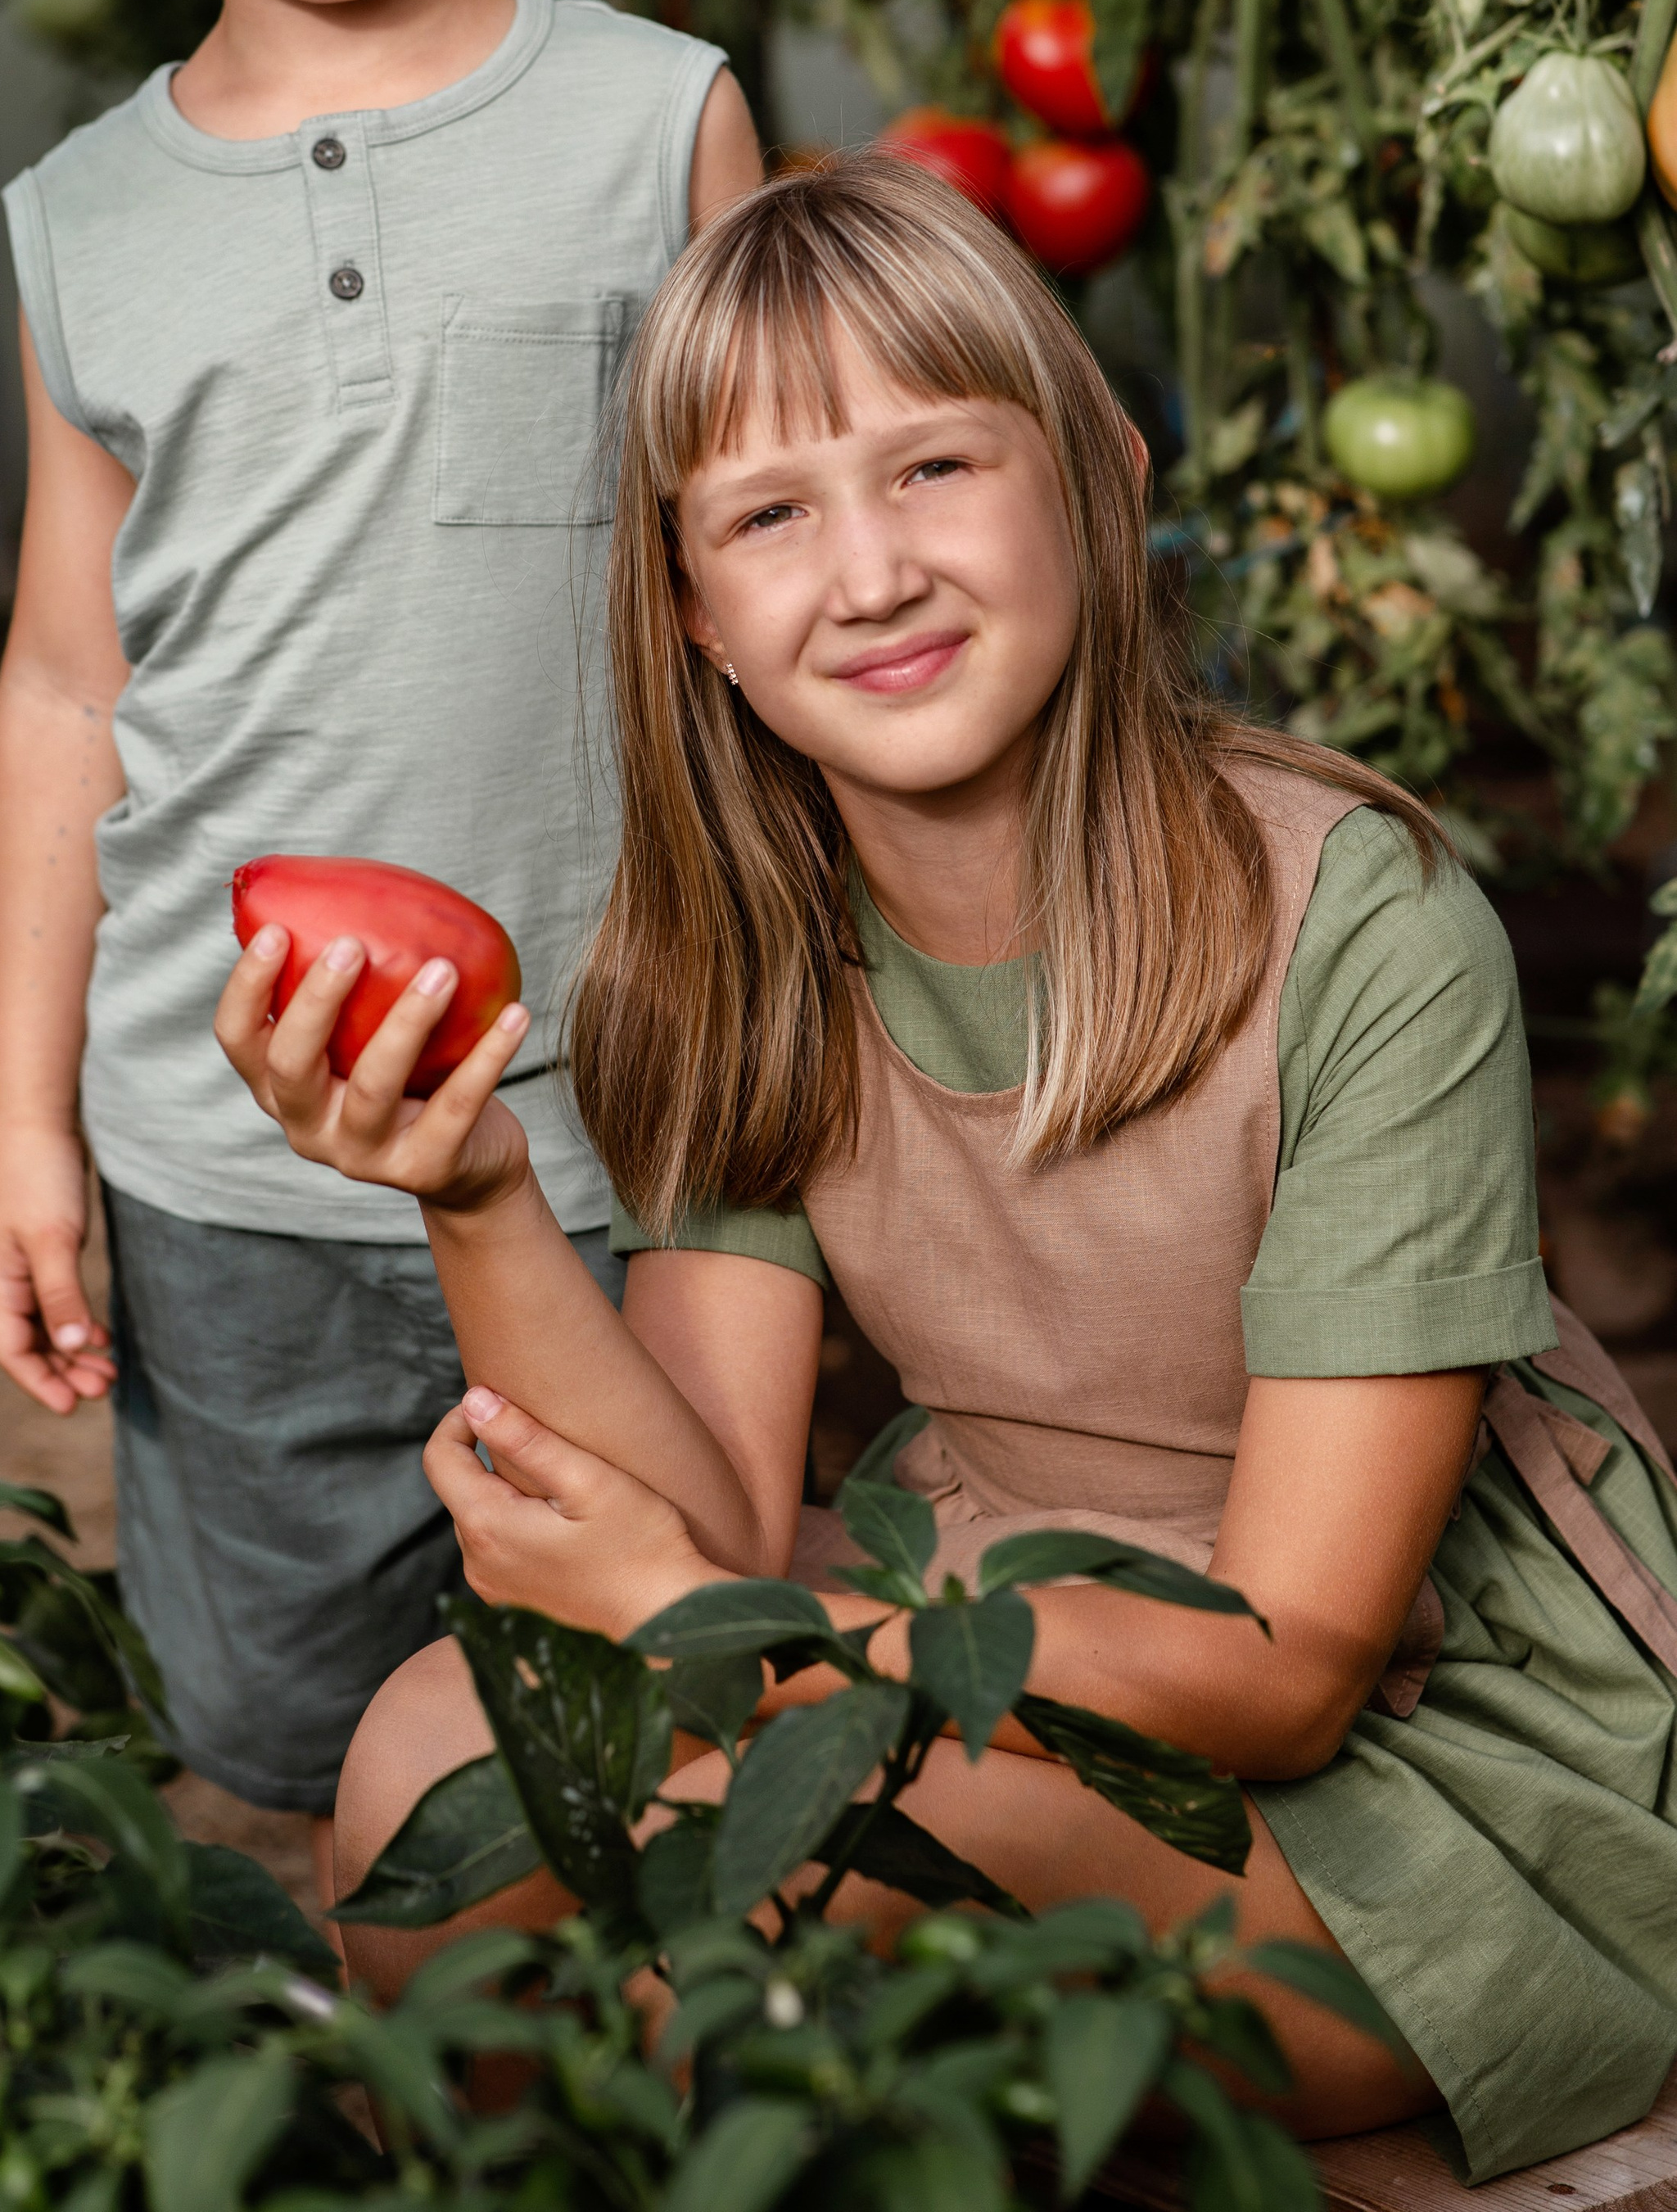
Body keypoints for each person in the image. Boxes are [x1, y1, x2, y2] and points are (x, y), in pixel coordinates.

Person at [218, 154, 1677, 2178]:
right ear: (694, 613)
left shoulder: (1360, 921)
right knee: (421, 1785)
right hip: (983, 1601)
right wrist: (464, 1192)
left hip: (1411, 1767)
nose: (869, 572)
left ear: (1094, 472)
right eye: (769, 515)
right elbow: (706, 1506)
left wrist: (721, 1627)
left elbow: (1295, 1668)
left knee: (762, 1879)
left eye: (931, 468)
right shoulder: (739, 955)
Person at [0, 0, 763, 1883]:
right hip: (234, 1156)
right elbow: (68, 683)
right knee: (299, 1733)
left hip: (623, 1117)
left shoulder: (658, 123)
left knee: (688, 1681)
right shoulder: (84, 225)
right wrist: (22, 1123)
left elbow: (784, 593)